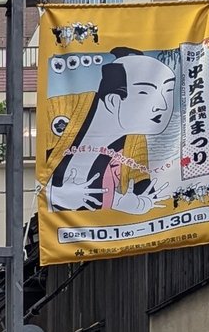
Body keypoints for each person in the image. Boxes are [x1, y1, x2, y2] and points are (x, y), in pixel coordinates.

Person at [44, 47, 174, 215]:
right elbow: (30, 172)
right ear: (113, 100)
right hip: (58, 229)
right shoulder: (60, 109)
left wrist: (137, 204)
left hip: (100, 231)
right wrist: (56, 194)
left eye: (168, 91)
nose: (162, 105)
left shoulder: (135, 137)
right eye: (146, 92)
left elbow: (142, 186)